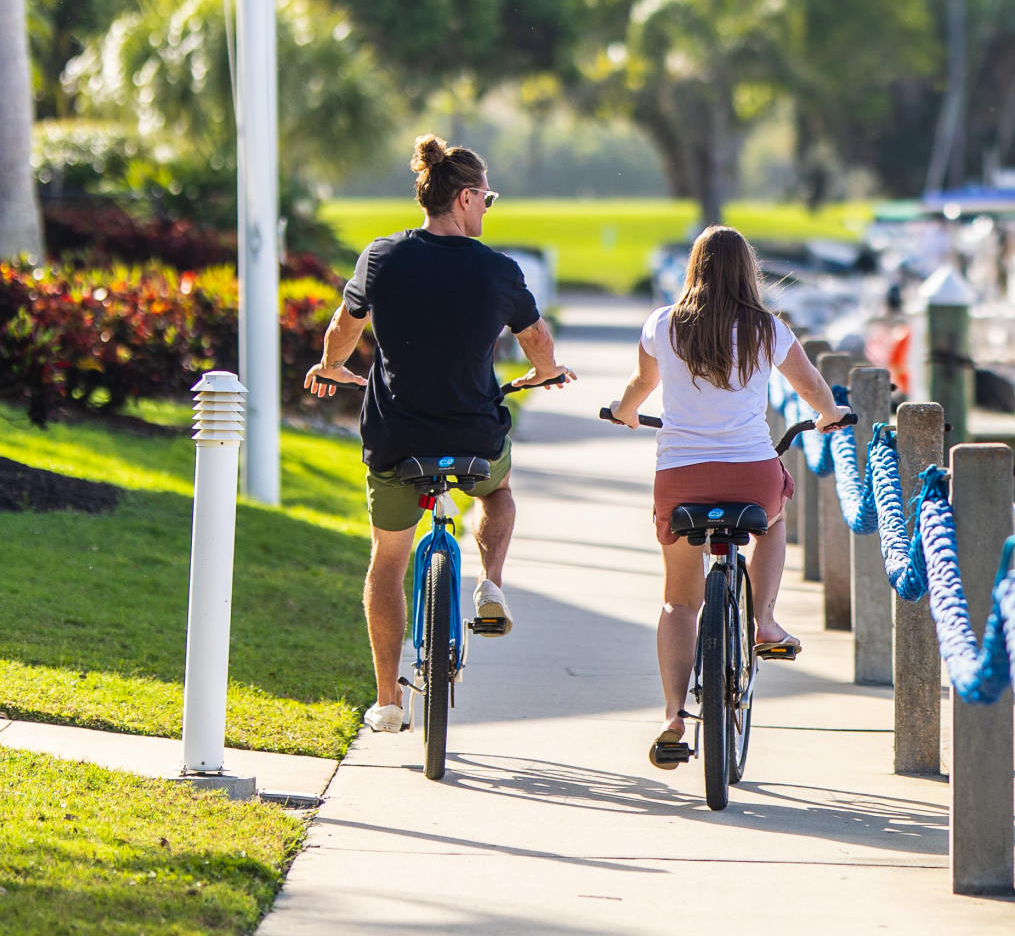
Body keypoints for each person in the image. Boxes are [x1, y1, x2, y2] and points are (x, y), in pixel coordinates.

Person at [305, 137, 573, 735]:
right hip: (474, 432)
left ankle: (388, 701)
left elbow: (343, 329)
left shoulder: (382, 257)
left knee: (388, 562)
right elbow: (539, 344)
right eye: (487, 199)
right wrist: (544, 374)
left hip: (396, 435)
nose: (487, 210)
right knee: (497, 494)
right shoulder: (499, 270)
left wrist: (330, 368)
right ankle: (490, 584)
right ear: (466, 198)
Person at [603, 224, 846, 769]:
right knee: (774, 520)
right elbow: (810, 387)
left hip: (682, 479)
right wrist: (829, 414)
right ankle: (764, 620)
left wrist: (623, 412)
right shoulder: (767, 329)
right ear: (747, 271)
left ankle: (671, 716)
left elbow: (640, 389)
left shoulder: (662, 325)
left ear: (693, 268)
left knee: (679, 600)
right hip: (750, 475)